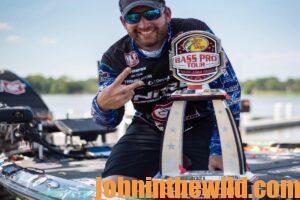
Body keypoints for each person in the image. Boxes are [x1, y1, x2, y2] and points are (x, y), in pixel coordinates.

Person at [92, 0, 241, 182]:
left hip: (201, 123)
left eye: (152, 14)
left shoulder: (193, 32)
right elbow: (109, 122)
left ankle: (182, 161)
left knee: (225, 186)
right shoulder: (113, 58)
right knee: (111, 184)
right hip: (151, 126)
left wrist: (221, 148)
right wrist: (102, 106)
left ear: (167, 14)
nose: (144, 24)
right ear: (124, 23)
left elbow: (229, 89)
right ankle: (168, 167)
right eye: (133, 17)